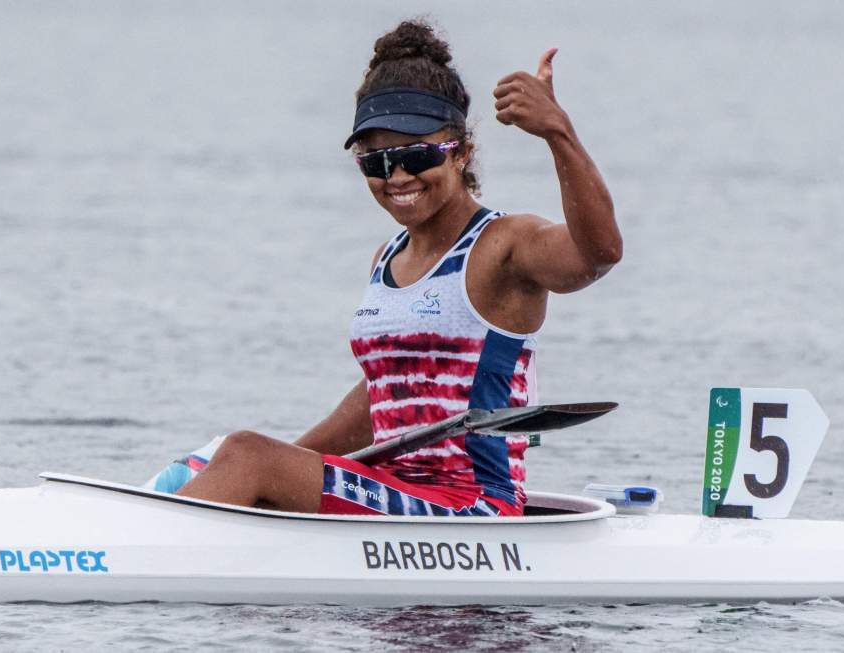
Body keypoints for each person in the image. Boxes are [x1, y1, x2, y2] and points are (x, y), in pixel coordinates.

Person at [176, 19, 621, 516]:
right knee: (218, 459)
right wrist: (264, 473)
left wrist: (558, 132)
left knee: (244, 455)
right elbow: (384, 395)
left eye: (416, 154)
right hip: (393, 496)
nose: (398, 176)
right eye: (377, 162)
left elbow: (597, 255)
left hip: (471, 508)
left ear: (462, 153)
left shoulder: (504, 245)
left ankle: (137, 555)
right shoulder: (387, 258)